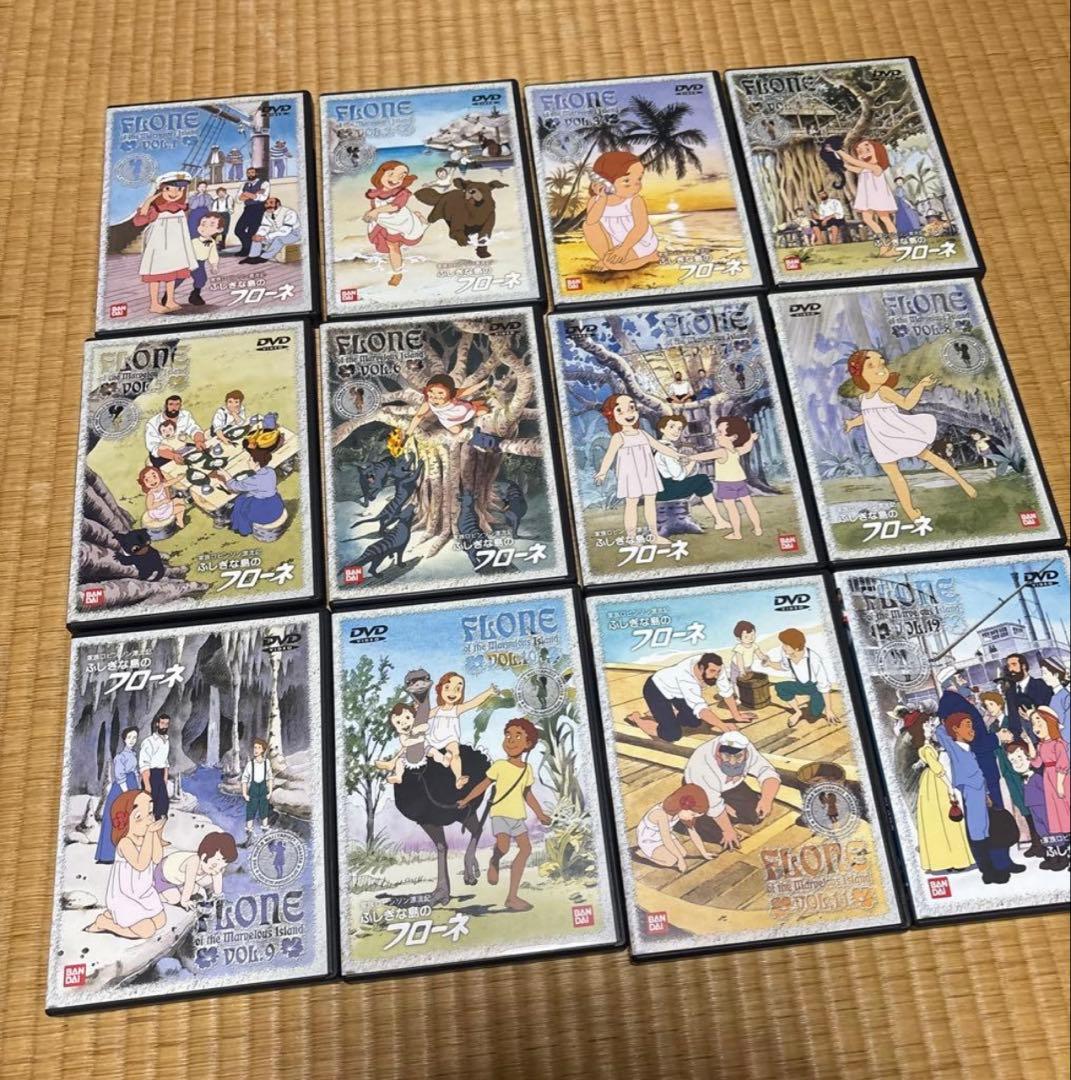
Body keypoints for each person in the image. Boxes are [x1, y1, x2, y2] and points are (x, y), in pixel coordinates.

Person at [842, 348, 976, 522]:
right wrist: (852, 423)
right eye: (871, 366)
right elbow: (868, 416)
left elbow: (907, 404)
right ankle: (910, 511)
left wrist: (920, 386)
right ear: (859, 373)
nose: (880, 368)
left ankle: (963, 483)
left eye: (882, 363)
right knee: (895, 476)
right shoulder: (863, 398)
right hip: (881, 440)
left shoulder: (884, 391)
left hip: (898, 432)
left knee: (928, 456)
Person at [458, 718, 550, 911]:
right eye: (508, 735)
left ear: (528, 744)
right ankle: (495, 859)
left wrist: (540, 814)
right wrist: (466, 799)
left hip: (518, 816)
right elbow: (483, 785)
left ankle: (512, 897)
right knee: (504, 847)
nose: (511, 740)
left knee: (526, 849)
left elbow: (527, 794)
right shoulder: (500, 765)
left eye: (518, 736)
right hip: (500, 814)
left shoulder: (527, 769)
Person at [934, 712, 1023, 884]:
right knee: (978, 834)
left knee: (985, 832)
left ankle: (993, 870)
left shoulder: (968, 751)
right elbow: (940, 732)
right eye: (967, 725)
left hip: (980, 793)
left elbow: (979, 776)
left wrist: (987, 794)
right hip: (971, 794)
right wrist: (944, 722)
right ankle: (988, 873)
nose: (972, 730)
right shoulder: (955, 748)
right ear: (955, 729)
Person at [594, 394, 686, 548]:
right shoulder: (618, 437)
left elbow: (659, 446)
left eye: (631, 408)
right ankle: (631, 537)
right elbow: (609, 455)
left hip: (647, 471)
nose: (628, 413)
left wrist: (677, 455)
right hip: (629, 473)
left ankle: (654, 535)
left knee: (650, 502)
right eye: (620, 410)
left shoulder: (643, 433)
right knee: (631, 503)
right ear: (612, 415)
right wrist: (602, 472)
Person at [85, 790, 168, 939]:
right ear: (125, 822)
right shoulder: (125, 843)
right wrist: (150, 833)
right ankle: (105, 922)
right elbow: (141, 864)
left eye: (150, 813)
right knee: (147, 931)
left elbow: (157, 858)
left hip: (144, 893)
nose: (148, 820)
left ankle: (111, 916)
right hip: (125, 896)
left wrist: (155, 833)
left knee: (161, 921)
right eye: (139, 817)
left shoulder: (146, 837)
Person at [626, 652, 757, 742]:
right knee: (671, 734)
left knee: (693, 722)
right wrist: (723, 726)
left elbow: (726, 692)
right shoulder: (686, 677)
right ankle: (637, 718)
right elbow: (701, 708)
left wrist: (736, 715)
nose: (716, 675)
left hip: (678, 693)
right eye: (712, 671)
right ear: (701, 668)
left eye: (718, 671)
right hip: (656, 689)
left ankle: (664, 712)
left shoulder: (716, 667)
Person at [683, 731, 781, 849]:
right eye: (727, 756)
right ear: (718, 754)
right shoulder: (701, 765)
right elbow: (713, 804)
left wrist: (766, 799)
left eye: (738, 756)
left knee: (755, 816)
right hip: (699, 791)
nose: (732, 762)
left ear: (746, 754)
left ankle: (727, 808)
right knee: (722, 836)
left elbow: (766, 771)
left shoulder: (747, 748)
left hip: (730, 787)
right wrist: (727, 830)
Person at [905, 713, 974, 872]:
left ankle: (948, 860)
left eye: (931, 725)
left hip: (930, 784)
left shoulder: (929, 745)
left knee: (942, 822)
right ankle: (955, 860)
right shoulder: (927, 747)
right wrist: (949, 787)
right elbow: (938, 769)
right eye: (927, 725)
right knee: (946, 822)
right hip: (937, 784)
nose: (931, 727)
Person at [133, 171, 199, 314]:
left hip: (176, 247)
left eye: (179, 189)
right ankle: (154, 303)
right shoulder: (156, 208)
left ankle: (170, 300)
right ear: (161, 190)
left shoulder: (182, 208)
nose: (174, 193)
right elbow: (139, 221)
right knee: (156, 275)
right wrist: (148, 202)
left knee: (172, 274)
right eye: (169, 189)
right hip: (159, 247)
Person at [583, 150, 660, 272]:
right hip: (613, 243)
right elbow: (591, 222)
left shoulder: (635, 201)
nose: (636, 185)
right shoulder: (595, 200)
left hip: (636, 242)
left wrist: (624, 249)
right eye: (626, 181)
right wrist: (603, 198)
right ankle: (606, 259)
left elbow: (641, 228)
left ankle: (649, 257)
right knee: (588, 226)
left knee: (614, 265)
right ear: (606, 181)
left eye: (639, 179)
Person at [937, 667, 1002, 808]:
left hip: (975, 760)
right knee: (995, 804)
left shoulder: (950, 701)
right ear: (951, 682)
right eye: (960, 678)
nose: (965, 681)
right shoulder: (955, 703)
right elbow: (969, 739)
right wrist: (997, 738)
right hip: (980, 760)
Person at [652, 416, 731, 530]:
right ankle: (719, 520)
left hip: (661, 489)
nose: (676, 431)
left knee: (698, 480)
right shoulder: (667, 449)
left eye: (679, 429)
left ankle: (718, 520)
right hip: (667, 490)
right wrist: (693, 461)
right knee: (702, 480)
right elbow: (679, 476)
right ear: (662, 429)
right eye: (672, 427)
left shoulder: (659, 446)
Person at [426, 672, 498, 789]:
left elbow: (474, 702)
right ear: (440, 689)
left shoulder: (457, 709)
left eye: (458, 689)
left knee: (455, 753)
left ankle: (458, 778)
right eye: (448, 687)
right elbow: (423, 716)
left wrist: (489, 692)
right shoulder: (437, 710)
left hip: (450, 738)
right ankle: (443, 758)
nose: (452, 692)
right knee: (427, 750)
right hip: (434, 737)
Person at [363, 160, 427, 288]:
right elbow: (375, 206)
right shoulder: (375, 193)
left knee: (396, 243)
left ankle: (420, 218)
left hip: (399, 220)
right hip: (383, 222)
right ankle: (397, 272)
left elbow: (395, 206)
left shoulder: (402, 193)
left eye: (401, 176)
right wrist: (371, 213)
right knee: (392, 246)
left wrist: (376, 211)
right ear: (380, 174)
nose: (396, 179)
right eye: (391, 174)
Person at [834, 138, 898, 254]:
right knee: (867, 219)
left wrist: (838, 150)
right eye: (860, 152)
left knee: (885, 219)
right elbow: (849, 166)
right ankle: (884, 244)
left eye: (867, 150)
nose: (864, 154)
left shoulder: (876, 168)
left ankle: (894, 247)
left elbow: (854, 162)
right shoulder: (864, 169)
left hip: (879, 197)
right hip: (868, 198)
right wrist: (837, 161)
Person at [767, 628, 841, 727]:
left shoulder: (814, 659)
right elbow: (783, 666)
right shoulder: (786, 653)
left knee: (813, 716)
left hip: (816, 688)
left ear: (796, 649)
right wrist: (769, 663)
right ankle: (798, 712)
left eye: (786, 645)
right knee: (780, 687)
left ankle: (815, 708)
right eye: (783, 644)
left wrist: (829, 710)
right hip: (800, 685)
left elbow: (824, 685)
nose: (783, 647)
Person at [211, 441, 285, 538]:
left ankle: (243, 530)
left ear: (257, 463)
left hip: (265, 511)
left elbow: (234, 486)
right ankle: (232, 517)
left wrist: (226, 475)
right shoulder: (270, 471)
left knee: (241, 507)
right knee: (241, 499)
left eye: (250, 459)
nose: (248, 461)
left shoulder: (255, 480)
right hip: (275, 503)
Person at [634, 783, 712, 870]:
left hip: (664, 836)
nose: (692, 818)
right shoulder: (660, 814)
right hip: (649, 840)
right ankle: (644, 854)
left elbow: (693, 833)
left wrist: (704, 853)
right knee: (671, 861)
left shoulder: (681, 812)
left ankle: (662, 853)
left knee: (683, 853)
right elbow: (666, 839)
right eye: (692, 814)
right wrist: (680, 860)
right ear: (683, 806)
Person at [154, 832, 238, 908]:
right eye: (214, 866)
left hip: (179, 880)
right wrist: (185, 901)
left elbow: (217, 877)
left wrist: (218, 896)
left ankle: (178, 890)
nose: (216, 870)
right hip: (164, 877)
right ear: (204, 857)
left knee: (196, 890)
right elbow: (189, 883)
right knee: (175, 899)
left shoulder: (214, 865)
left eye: (221, 867)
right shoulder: (194, 862)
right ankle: (155, 894)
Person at [711, 415, 762, 541]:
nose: (716, 435)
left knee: (732, 509)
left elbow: (704, 455)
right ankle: (757, 529)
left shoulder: (721, 452)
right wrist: (751, 438)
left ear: (733, 437)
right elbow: (747, 447)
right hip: (740, 482)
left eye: (720, 432)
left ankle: (737, 534)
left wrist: (688, 457)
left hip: (725, 484)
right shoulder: (737, 450)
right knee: (749, 505)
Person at [95, 727, 141, 864]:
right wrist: (127, 793)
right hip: (121, 788)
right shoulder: (120, 757)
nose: (132, 740)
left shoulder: (133, 754)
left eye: (134, 737)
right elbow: (120, 777)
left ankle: (128, 854)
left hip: (132, 784)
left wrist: (137, 789)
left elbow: (135, 772)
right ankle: (106, 856)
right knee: (113, 819)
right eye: (129, 737)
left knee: (131, 820)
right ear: (124, 739)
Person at [1027, 706, 1070, 837]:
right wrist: (1030, 744)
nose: (1036, 727)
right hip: (1048, 778)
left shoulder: (1058, 744)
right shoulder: (1040, 745)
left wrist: (1059, 784)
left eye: (1039, 723)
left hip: (1060, 777)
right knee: (1055, 806)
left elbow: (1063, 763)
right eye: (1034, 724)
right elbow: (1037, 763)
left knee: (1064, 803)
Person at [405, 373, 489, 438]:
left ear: (449, 392)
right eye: (431, 391)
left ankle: (473, 405)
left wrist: (482, 383)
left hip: (461, 410)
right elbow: (418, 416)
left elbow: (467, 390)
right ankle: (473, 405)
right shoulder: (428, 403)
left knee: (484, 410)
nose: (434, 396)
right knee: (457, 430)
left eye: (440, 393)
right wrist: (409, 432)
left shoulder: (453, 394)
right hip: (448, 420)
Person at [145, 394, 206, 467]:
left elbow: (194, 429)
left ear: (180, 406)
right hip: (164, 455)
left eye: (177, 404)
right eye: (171, 404)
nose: (174, 407)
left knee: (202, 457)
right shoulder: (152, 423)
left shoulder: (185, 415)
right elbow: (153, 447)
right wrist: (173, 456)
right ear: (165, 406)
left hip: (182, 447)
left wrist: (199, 441)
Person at [1000, 653, 1053, 737]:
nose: (1010, 669)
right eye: (1009, 666)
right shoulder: (1010, 692)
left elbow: (1051, 712)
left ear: (1023, 666)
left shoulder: (1040, 685)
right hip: (1023, 740)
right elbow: (1013, 719)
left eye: (1014, 664)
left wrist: (1032, 717)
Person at [375, 702, 427, 784]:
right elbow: (405, 743)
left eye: (407, 718)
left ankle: (391, 763)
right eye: (398, 723)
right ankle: (398, 776)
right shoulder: (403, 735)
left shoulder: (418, 725)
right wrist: (418, 740)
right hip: (409, 756)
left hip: (423, 751)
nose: (403, 723)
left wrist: (418, 729)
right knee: (399, 761)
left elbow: (426, 726)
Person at [243, 197, 301, 264]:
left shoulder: (290, 212)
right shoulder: (266, 213)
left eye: (271, 203)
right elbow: (265, 226)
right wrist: (259, 235)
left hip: (294, 234)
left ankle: (264, 257)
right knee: (257, 237)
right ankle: (252, 257)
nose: (268, 205)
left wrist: (267, 237)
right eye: (266, 203)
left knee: (278, 239)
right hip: (277, 232)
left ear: (278, 204)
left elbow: (285, 231)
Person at [138, 714, 172, 821]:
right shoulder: (149, 742)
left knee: (163, 804)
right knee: (149, 804)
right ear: (157, 724)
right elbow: (144, 764)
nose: (164, 726)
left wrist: (165, 777)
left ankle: (158, 824)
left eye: (167, 724)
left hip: (160, 775)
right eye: (162, 723)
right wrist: (147, 784)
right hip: (150, 775)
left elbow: (165, 761)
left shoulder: (166, 741)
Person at [185, 209, 223, 305]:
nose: (204, 228)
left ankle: (195, 295)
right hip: (187, 262)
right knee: (178, 279)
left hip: (199, 263)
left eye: (211, 225)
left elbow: (213, 254)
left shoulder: (211, 242)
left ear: (219, 230)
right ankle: (167, 296)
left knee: (201, 279)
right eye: (203, 224)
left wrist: (214, 265)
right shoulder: (193, 240)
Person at [234, 167, 270, 258]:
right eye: (248, 173)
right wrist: (253, 195)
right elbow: (238, 199)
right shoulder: (244, 184)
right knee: (238, 230)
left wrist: (246, 194)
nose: (250, 174)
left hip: (259, 209)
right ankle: (248, 248)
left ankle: (247, 250)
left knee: (252, 231)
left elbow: (262, 198)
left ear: (256, 173)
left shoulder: (264, 183)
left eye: (252, 172)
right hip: (248, 209)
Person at [241, 737, 274, 839]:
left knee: (264, 812)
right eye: (255, 747)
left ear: (263, 750)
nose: (256, 750)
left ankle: (265, 834)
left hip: (263, 791)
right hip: (253, 791)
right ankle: (249, 837)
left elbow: (270, 778)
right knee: (250, 813)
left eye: (259, 747)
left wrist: (270, 792)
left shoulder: (266, 763)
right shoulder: (250, 764)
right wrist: (245, 794)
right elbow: (244, 780)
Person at [137, 464, 186, 530]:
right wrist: (162, 502)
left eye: (154, 476)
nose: (152, 480)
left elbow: (170, 482)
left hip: (165, 506)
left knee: (178, 500)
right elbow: (150, 507)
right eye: (147, 480)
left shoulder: (161, 485)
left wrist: (180, 477)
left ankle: (178, 518)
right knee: (182, 507)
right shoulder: (151, 494)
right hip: (160, 512)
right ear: (144, 483)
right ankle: (180, 522)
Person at [1040, 658, 1070, 743]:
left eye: (1045, 673)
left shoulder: (1066, 696)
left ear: (1056, 674)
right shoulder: (1054, 697)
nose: (1043, 677)